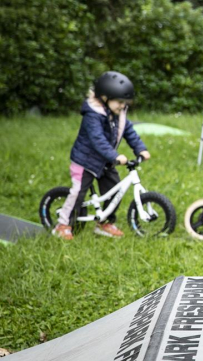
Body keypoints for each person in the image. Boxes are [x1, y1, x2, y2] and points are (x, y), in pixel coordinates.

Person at [52, 72, 151, 240]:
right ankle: (62, 224)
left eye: (125, 102)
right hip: (86, 161)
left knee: (114, 189)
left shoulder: (118, 113)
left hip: (105, 161)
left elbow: (128, 131)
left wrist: (140, 148)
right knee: (77, 192)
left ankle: (105, 223)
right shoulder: (93, 115)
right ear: (104, 98)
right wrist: (115, 155)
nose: (122, 106)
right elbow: (98, 140)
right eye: (119, 102)